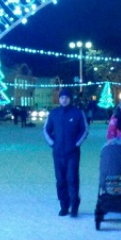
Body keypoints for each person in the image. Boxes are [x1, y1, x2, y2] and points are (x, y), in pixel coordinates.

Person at [43, 88, 89, 217]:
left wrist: (76, 144)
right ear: (59, 99)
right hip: (57, 154)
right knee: (60, 180)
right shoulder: (54, 113)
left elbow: (84, 130)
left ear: (70, 99)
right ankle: (64, 205)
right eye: (62, 97)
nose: (64, 100)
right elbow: (46, 130)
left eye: (67, 98)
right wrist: (53, 143)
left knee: (72, 179)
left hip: (72, 153)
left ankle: (74, 205)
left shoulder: (77, 113)